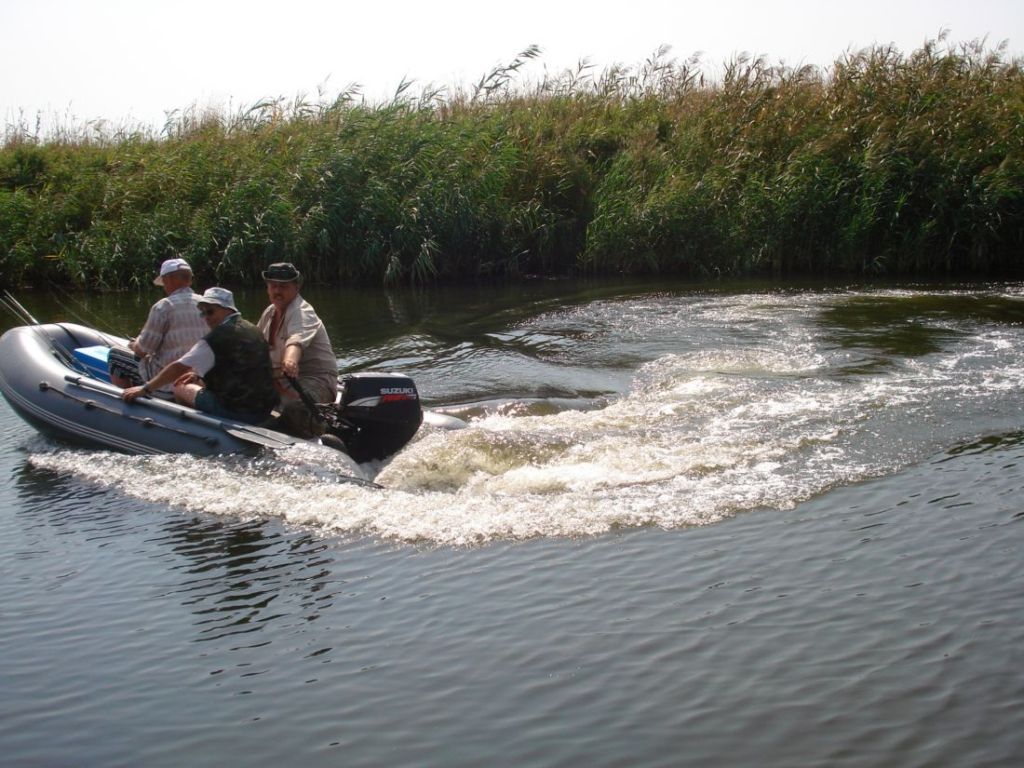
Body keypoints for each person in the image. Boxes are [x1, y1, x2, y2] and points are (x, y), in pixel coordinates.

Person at [122, 287, 278, 425]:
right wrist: (198, 375)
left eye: (210, 311)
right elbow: (240, 366)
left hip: (236, 412)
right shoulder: (253, 330)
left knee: (179, 386)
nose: (206, 317)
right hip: (262, 409)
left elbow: (178, 367)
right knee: (192, 379)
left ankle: (192, 427)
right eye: (202, 313)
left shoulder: (215, 338)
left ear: (228, 309)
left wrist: (146, 389)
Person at [256, 262, 338, 437]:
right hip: (280, 381)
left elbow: (296, 340)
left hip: (315, 380)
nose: (277, 291)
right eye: (273, 286)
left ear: (296, 287)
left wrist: (290, 359)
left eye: (283, 286)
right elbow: (253, 345)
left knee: (297, 410)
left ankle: (314, 437)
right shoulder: (270, 312)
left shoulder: (302, 311)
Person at [108, 257, 207, 392]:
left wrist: (134, 344)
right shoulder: (207, 305)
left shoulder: (163, 307)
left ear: (168, 279)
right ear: (189, 280)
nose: (164, 287)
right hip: (198, 378)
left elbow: (143, 350)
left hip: (165, 379)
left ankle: (128, 401)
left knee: (115, 355)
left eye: (164, 283)